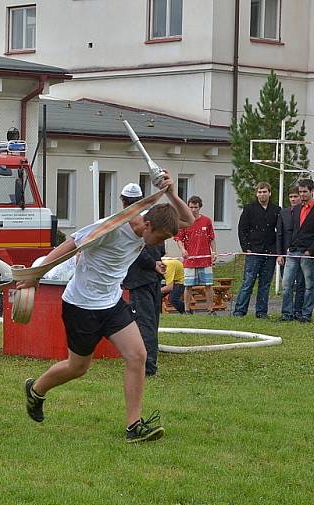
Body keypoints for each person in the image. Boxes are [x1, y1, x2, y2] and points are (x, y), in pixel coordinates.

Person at [19, 173, 194, 443]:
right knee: (78, 368)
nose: (159, 245)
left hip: (111, 303)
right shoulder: (110, 228)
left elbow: (188, 220)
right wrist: (36, 274)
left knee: (138, 355)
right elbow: (70, 244)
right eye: (158, 238)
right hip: (81, 305)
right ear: (146, 225)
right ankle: (37, 390)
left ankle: (134, 425)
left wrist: (170, 191)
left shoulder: (151, 217)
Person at [119, 184, 165, 377]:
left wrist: (153, 265)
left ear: (123, 200)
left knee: (144, 323)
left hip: (139, 279)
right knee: (152, 322)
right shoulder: (151, 219)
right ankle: (150, 362)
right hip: (154, 278)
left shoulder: (131, 222)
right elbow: (160, 246)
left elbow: (137, 251)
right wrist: (158, 264)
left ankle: (148, 367)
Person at [233, 182, 281, 318]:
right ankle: (239, 311)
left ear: (269, 193)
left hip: (270, 251)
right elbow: (242, 229)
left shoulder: (276, 210)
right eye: (260, 192)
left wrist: (277, 250)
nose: (262, 194)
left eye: (265, 192)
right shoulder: (249, 209)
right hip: (254, 251)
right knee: (248, 282)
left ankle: (261, 312)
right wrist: (246, 247)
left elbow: (279, 231)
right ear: (256, 193)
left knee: (265, 284)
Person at [174, 196, 217, 314]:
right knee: (188, 286)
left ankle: (210, 310)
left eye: (195, 207)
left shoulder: (207, 221)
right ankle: (187, 310)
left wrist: (213, 252)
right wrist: (183, 250)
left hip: (205, 258)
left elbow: (211, 238)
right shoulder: (184, 221)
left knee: (208, 285)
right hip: (190, 260)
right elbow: (178, 238)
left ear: (200, 207)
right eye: (191, 207)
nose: (193, 210)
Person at [280, 178, 314, 323]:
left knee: (309, 285)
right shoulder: (298, 208)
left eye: (305, 192)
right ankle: (287, 314)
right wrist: (288, 247)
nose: (302, 195)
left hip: (308, 252)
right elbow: (292, 230)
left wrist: (310, 250)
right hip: (293, 251)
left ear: (312, 191)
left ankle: (306, 315)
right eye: (300, 192)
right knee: (286, 284)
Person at [276, 186, 305, 321]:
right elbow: (279, 234)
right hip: (287, 253)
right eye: (291, 197)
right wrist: (279, 254)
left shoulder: (306, 212)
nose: (293, 199)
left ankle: (298, 311)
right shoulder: (284, 213)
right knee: (286, 284)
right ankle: (286, 313)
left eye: (295, 196)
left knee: (301, 283)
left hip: (303, 252)